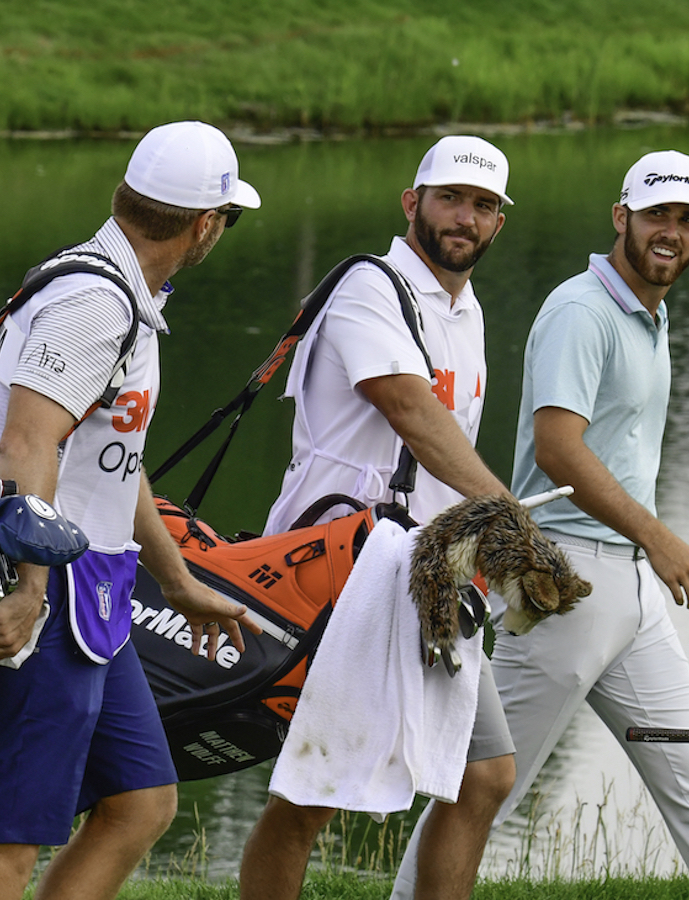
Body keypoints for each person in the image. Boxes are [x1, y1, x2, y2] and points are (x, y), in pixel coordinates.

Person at [395, 151, 689, 899]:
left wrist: (643, 547)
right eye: (658, 215)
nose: (672, 233)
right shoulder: (580, 309)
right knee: (483, 791)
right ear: (621, 216)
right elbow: (559, 448)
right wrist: (657, 536)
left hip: (627, 593)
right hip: (559, 585)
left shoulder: (647, 311)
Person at [0, 121, 264, 900]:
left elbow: (111, 462)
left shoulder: (127, 295)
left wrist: (178, 580)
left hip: (92, 592)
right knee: (6, 844)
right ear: (204, 225)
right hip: (43, 585)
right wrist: (27, 592)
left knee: (140, 802)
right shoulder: (95, 303)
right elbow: (27, 446)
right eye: (227, 218)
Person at [240, 135, 516, 900]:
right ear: (412, 203)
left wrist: (479, 542)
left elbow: (444, 449)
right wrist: (504, 515)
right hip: (345, 572)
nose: (465, 217)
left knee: (484, 776)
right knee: (310, 799)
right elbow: (407, 407)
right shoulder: (371, 285)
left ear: (498, 223)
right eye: (450, 198)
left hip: (428, 575)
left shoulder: (466, 309)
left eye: (483, 205)